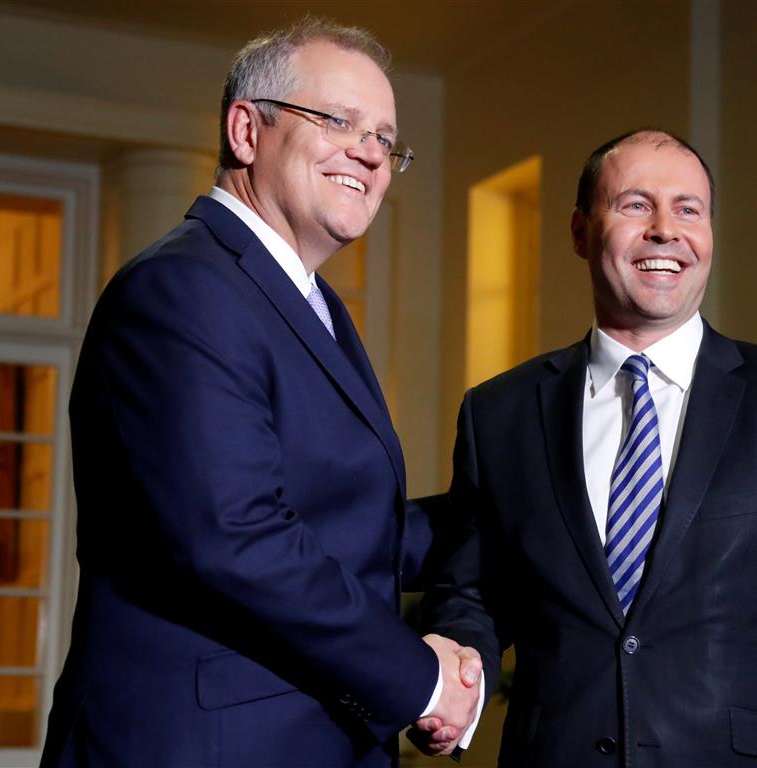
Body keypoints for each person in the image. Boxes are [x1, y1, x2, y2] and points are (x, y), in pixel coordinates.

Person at [40, 17, 480, 768]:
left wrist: (516, 507)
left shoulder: (305, 300)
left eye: (385, 139)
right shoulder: (183, 287)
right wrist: (421, 680)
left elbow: (336, 522)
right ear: (247, 129)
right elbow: (234, 534)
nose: (370, 154)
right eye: (339, 121)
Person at [419, 129, 757, 765]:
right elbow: (471, 590)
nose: (666, 230)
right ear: (581, 232)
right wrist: (458, 676)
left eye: (689, 209)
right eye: (636, 205)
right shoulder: (499, 412)